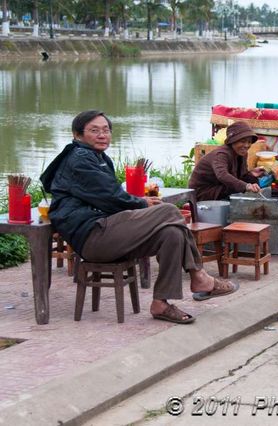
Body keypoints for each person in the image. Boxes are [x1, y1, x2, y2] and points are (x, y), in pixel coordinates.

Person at [40, 110, 239, 324]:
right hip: (92, 237)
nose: (102, 135)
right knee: (169, 211)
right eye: (94, 130)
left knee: (172, 234)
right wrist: (141, 203)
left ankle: (161, 303)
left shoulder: (97, 157)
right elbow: (109, 197)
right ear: (78, 135)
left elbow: (109, 198)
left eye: (106, 130)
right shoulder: (79, 159)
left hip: (108, 231)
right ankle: (199, 276)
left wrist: (138, 204)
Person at [188, 121, 265, 201]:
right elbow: (222, 175)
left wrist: (252, 173)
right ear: (232, 141)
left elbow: (242, 176)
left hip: (219, 187)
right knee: (237, 187)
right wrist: (246, 186)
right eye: (243, 141)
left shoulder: (242, 153)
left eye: (249, 142)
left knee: (251, 180)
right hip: (202, 192)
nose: (246, 145)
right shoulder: (221, 154)